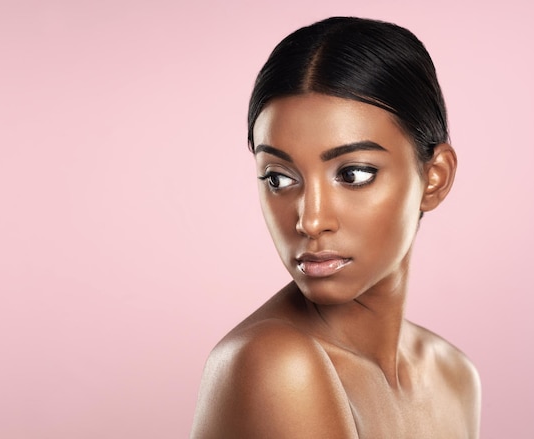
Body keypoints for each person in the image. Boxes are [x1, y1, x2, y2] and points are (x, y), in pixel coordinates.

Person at [191, 17, 481, 438]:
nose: (310, 220)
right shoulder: (276, 363)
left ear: (434, 177)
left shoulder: (455, 375)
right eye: (279, 178)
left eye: (354, 174)